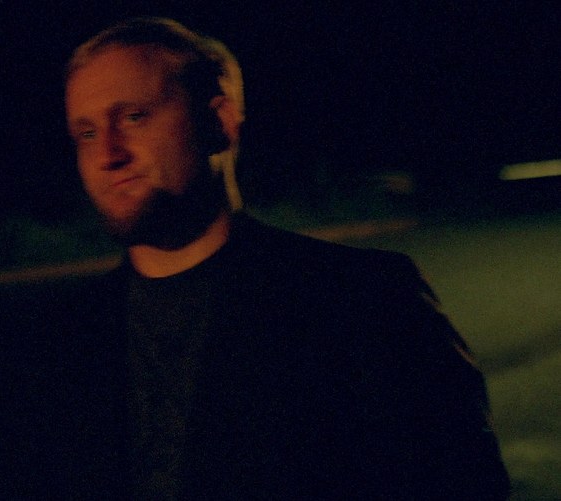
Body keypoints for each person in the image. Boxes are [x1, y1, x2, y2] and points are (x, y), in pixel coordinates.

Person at [47, 17, 511, 499]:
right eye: (86, 133)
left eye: (133, 117)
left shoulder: (365, 303)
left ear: (219, 121)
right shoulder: (62, 342)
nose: (108, 154)